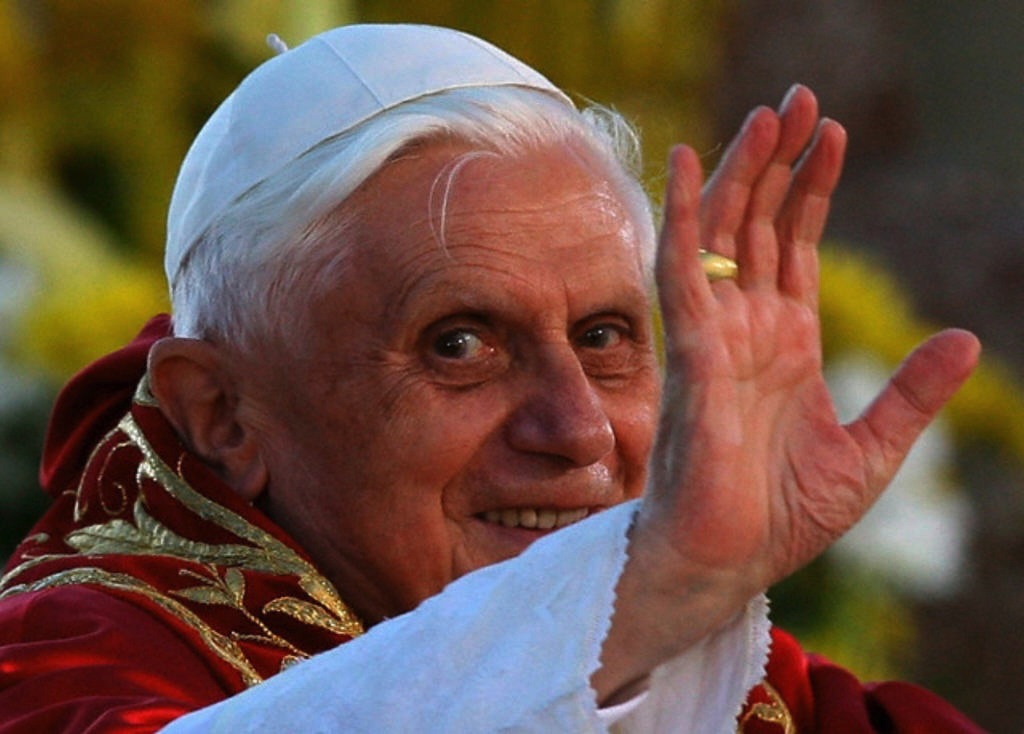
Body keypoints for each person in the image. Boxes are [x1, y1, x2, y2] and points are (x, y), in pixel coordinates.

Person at [0, 23, 984, 733]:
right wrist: (651, 596)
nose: (579, 429)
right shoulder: (67, 660)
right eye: (460, 345)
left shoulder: (740, 675)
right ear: (221, 413)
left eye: (605, 335)